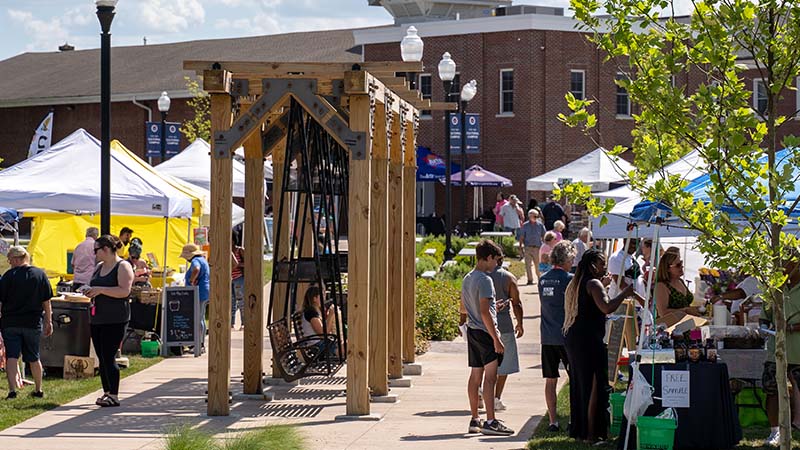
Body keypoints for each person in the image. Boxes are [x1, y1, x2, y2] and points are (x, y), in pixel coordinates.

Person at [562, 248, 641, 444]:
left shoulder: (580, 282)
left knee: (581, 385)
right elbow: (606, 307)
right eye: (602, 263)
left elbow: (594, 303)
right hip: (588, 341)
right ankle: (591, 435)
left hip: (576, 339)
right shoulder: (594, 283)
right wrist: (625, 293)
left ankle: (582, 432)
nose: (605, 267)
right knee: (594, 386)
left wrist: (604, 286)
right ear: (592, 266)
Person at [459, 239, 514, 436]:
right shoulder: (485, 279)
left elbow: (465, 307)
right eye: (496, 260)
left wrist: (493, 307)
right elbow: (484, 311)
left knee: (475, 376)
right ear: (488, 257)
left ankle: (475, 419)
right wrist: (496, 339)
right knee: (490, 378)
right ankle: (491, 421)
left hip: (473, 331)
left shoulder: (468, 278)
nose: (497, 265)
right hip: (485, 333)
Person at [84, 235, 133, 407]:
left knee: (109, 355)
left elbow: (124, 291)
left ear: (106, 249)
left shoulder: (123, 266)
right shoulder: (99, 267)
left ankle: (114, 394)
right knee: (101, 357)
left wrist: (101, 290)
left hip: (116, 319)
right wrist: (90, 291)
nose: (94, 253)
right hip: (97, 317)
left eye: (96, 250)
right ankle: (106, 392)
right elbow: (96, 287)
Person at [0, 246, 53, 399]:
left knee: (12, 357)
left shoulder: (8, 276)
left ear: (17, 259)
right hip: (32, 322)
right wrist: (48, 321)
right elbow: (46, 302)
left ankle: (12, 390)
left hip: (10, 323)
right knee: (34, 357)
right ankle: (38, 389)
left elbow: (1, 301)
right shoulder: (40, 274)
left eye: (10, 260)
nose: (10, 263)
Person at [760, 252, 800, 446]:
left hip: (798, 351)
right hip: (776, 351)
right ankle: (775, 431)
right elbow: (764, 315)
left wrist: (790, 328)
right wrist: (765, 327)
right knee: (772, 390)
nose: (783, 266)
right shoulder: (773, 288)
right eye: (780, 263)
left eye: (787, 262)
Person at [539, 241, 576, 432]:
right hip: (566, 335)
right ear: (567, 258)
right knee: (574, 379)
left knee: (550, 379)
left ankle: (553, 421)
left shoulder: (543, 279)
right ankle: (573, 419)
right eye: (572, 257)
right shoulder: (570, 279)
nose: (573, 261)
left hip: (547, 335)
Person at [487, 256, 523, 412]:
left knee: (486, 363)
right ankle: (496, 398)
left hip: (483, 326)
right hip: (504, 326)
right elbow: (517, 302)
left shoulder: (479, 276)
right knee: (504, 364)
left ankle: (484, 391)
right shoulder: (508, 278)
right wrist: (520, 324)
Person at [654, 250, 701, 318]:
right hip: (669, 326)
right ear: (667, 269)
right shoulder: (661, 286)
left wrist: (696, 309)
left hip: (685, 323)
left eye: (681, 263)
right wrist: (686, 310)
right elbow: (662, 313)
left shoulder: (680, 281)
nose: (681, 267)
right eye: (678, 265)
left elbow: (685, 305)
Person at [181, 244, 210, 341]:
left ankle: (199, 342)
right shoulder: (203, 260)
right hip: (204, 291)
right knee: (201, 317)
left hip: (198, 293)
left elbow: (196, 269)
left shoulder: (195, 261)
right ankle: (200, 341)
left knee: (198, 318)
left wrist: (192, 280)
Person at [518, 209, 546, 285]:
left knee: (537, 265)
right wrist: (520, 246)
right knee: (528, 265)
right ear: (530, 216)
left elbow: (543, 236)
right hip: (528, 247)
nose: (535, 217)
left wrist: (545, 246)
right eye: (534, 216)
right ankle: (530, 280)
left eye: (536, 216)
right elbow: (522, 236)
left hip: (537, 247)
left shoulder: (540, 225)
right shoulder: (525, 225)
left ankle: (540, 278)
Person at [231, 238, 245, 330]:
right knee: (231, 302)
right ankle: (231, 323)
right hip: (229, 279)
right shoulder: (225, 250)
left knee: (241, 302)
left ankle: (244, 323)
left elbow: (247, 263)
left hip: (239, 278)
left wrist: (237, 265)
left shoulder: (240, 250)